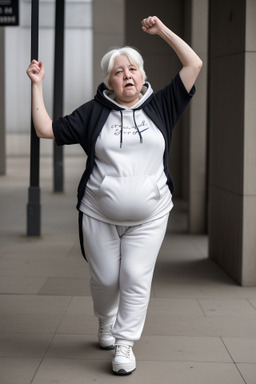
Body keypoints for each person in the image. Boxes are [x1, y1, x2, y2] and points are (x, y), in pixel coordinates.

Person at [26, 16, 202, 376]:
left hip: (151, 214)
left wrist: (162, 31)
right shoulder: (94, 113)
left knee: (136, 275)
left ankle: (124, 344)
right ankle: (105, 320)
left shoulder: (162, 106)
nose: (127, 75)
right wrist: (37, 84)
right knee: (105, 279)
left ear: (142, 76)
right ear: (109, 81)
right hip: (98, 212)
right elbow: (45, 129)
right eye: (119, 71)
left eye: (133, 68)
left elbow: (193, 63)